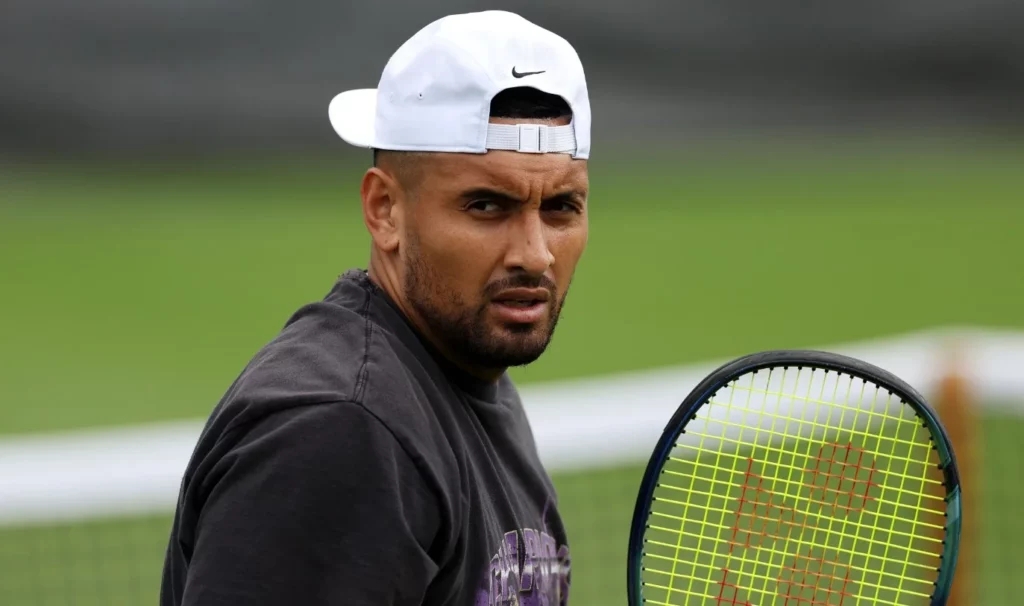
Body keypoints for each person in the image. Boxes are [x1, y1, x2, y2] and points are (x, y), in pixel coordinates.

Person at [159, 9, 591, 606]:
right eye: (487, 206)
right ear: (385, 209)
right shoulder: (341, 434)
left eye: (562, 207)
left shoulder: (467, 374)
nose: (536, 254)